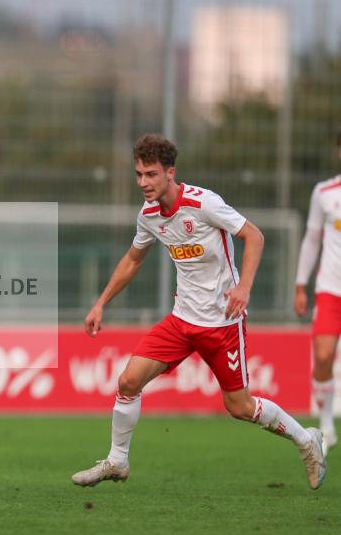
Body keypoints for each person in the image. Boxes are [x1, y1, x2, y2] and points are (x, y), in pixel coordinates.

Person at [71, 133, 326, 490]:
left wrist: (244, 287)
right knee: (128, 381)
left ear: (170, 173)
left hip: (222, 324)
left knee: (239, 407)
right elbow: (133, 260)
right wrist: (101, 303)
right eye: (139, 174)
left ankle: (306, 440)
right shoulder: (149, 215)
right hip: (181, 321)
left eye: (151, 174)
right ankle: (117, 460)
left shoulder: (204, 203)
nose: (143, 182)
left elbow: (254, 236)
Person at [294, 131, 341, 454]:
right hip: (330, 290)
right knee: (323, 356)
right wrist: (301, 284)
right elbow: (312, 239)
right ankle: (326, 424)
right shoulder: (324, 193)